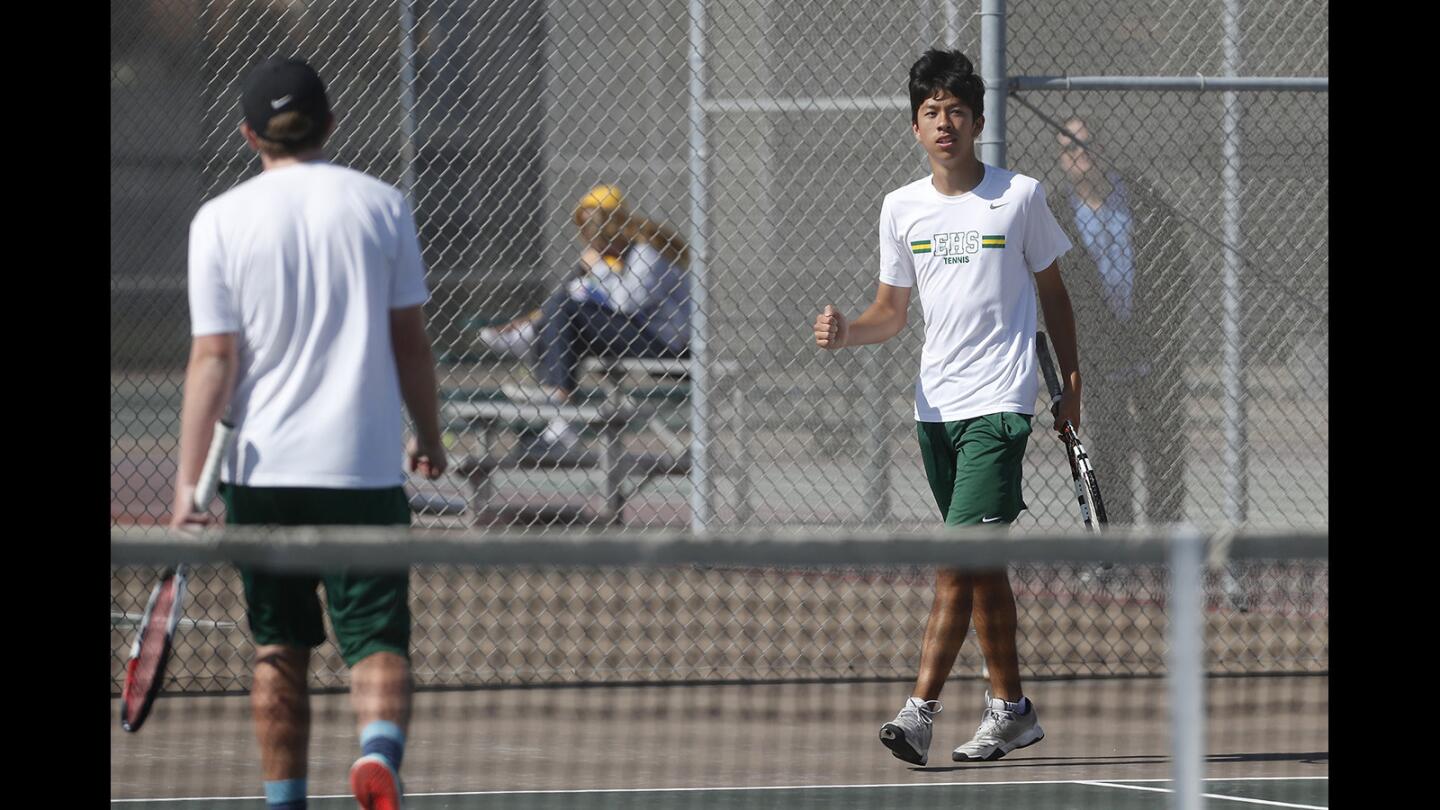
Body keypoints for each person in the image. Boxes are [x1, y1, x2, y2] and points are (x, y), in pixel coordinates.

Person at [169, 57, 446, 810]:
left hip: (263, 478)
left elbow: (213, 360)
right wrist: (429, 436)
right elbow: (411, 343)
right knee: (377, 641)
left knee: (277, 650)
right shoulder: (384, 205)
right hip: (361, 472)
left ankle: (284, 802)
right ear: (331, 122)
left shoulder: (218, 219)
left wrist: (187, 486)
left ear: (249, 134)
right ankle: (378, 755)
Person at [812, 49, 1082, 766]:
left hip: (1001, 404)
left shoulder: (1018, 196)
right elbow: (890, 312)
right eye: (931, 112)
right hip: (936, 411)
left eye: (956, 111)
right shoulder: (900, 208)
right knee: (981, 565)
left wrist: (1072, 382)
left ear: (978, 122)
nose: (944, 123)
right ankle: (1012, 710)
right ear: (914, 125)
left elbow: (1054, 293)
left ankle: (920, 710)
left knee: (956, 558)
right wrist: (846, 335)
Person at [1053, 116, 1190, 526]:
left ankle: (1163, 547)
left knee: (1163, 451)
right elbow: (1052, 288)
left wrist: (1165, 330)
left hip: (1151, 349)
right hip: (1097, 354)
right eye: (1070, 148)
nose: (1081, 155)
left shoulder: (1143, 200)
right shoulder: (1058, 213)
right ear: (1061, 160)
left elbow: (1178, 266)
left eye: (1087, 143)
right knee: (1109, 455)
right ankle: (1119, 550)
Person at [481, 185, 690, 451]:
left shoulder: (646, 253)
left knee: (568, 307)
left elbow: (627, 303)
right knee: (566, 302)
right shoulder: (621, 258)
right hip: (638, 335)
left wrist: (598, 269)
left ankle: (555, 394)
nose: (593, 241)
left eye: (598, 232)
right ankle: (558, 414)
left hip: (665, 346)